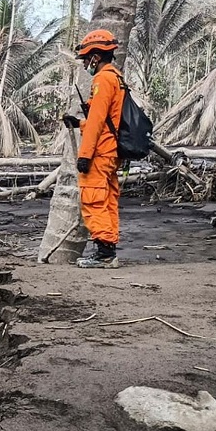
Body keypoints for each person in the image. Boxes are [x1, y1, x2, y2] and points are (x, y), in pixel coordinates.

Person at [61, 28, 126, 269]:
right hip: (112, 151)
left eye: (87, 59)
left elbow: (98, 121)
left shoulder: (102, 80)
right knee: (107, 199)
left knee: (93, 199)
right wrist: (79, 123)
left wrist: (85, 155)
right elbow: (108, 120)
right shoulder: (116, 77)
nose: (86, 63)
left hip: (100, 151)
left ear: (96, 57)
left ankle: (105, 254)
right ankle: (107, 249)